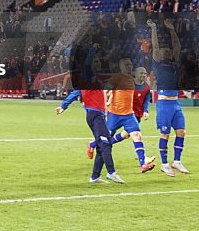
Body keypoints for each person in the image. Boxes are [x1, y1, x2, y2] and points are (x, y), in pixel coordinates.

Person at [57, 46, 125, 185]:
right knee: (106, 143)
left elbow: (76, 93)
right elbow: (76, 91)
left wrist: (64, 106)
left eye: (98, 62)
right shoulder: (87, 77)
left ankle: (94, 177)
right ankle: (111, 172)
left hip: (98, 115)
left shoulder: (92, 79)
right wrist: (92, 49)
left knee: (101, 145)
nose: (97, 64)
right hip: (95, 115)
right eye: (95, 62)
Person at [148, 19, 190, 176]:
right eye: (165, 51)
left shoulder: (174, 64)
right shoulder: (158, 64)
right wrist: (153, 28)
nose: (168, 52)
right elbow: (156, 47)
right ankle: (164, 164)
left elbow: (177, 47)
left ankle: (177, 161)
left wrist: (172, 30)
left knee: (181, 132)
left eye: (168, 51)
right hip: (164, 103)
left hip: (176, 103)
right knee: (165, 134)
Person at [100, 58, 155, 173]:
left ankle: (143, 163)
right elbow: (106, 90)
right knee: (106, 138)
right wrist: (106, 104)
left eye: (130, 64)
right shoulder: (117, 78)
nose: (129, 67)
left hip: (129, 114)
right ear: (121, 67)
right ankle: (93, 144)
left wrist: (145, 110)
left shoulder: (131, 80)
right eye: (126, 65)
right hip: (114, 114)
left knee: (136, 135)